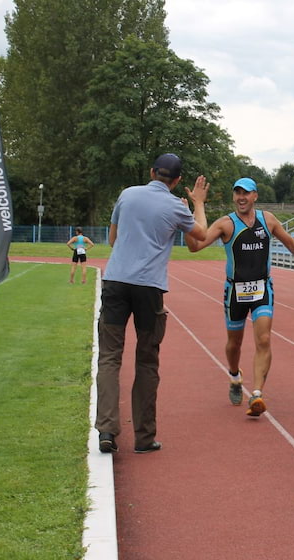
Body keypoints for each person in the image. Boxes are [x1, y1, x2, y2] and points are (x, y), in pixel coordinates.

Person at [95, 153, 209, 454]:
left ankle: (107, 429)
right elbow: (201, 237)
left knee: (109, 357)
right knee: (146, 361)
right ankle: (144, 438)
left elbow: (112, 239)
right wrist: (197, 204)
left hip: (116, 282)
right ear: (178, 180)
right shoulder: (175, 207)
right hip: (149, 289)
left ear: (151, 172)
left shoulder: (127, 194)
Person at [187, 177, 294, 417]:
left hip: (262, 289)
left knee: (263, 339)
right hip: (235, 293)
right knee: (234, 344)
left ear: (255, 196)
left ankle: (257, 394)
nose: (241, 197)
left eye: (246, 193)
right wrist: (190, 215)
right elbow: (195, 247)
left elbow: (289, 241)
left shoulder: (267, 220)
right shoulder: (225, 224)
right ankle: (234, 375)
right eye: (237, 192)